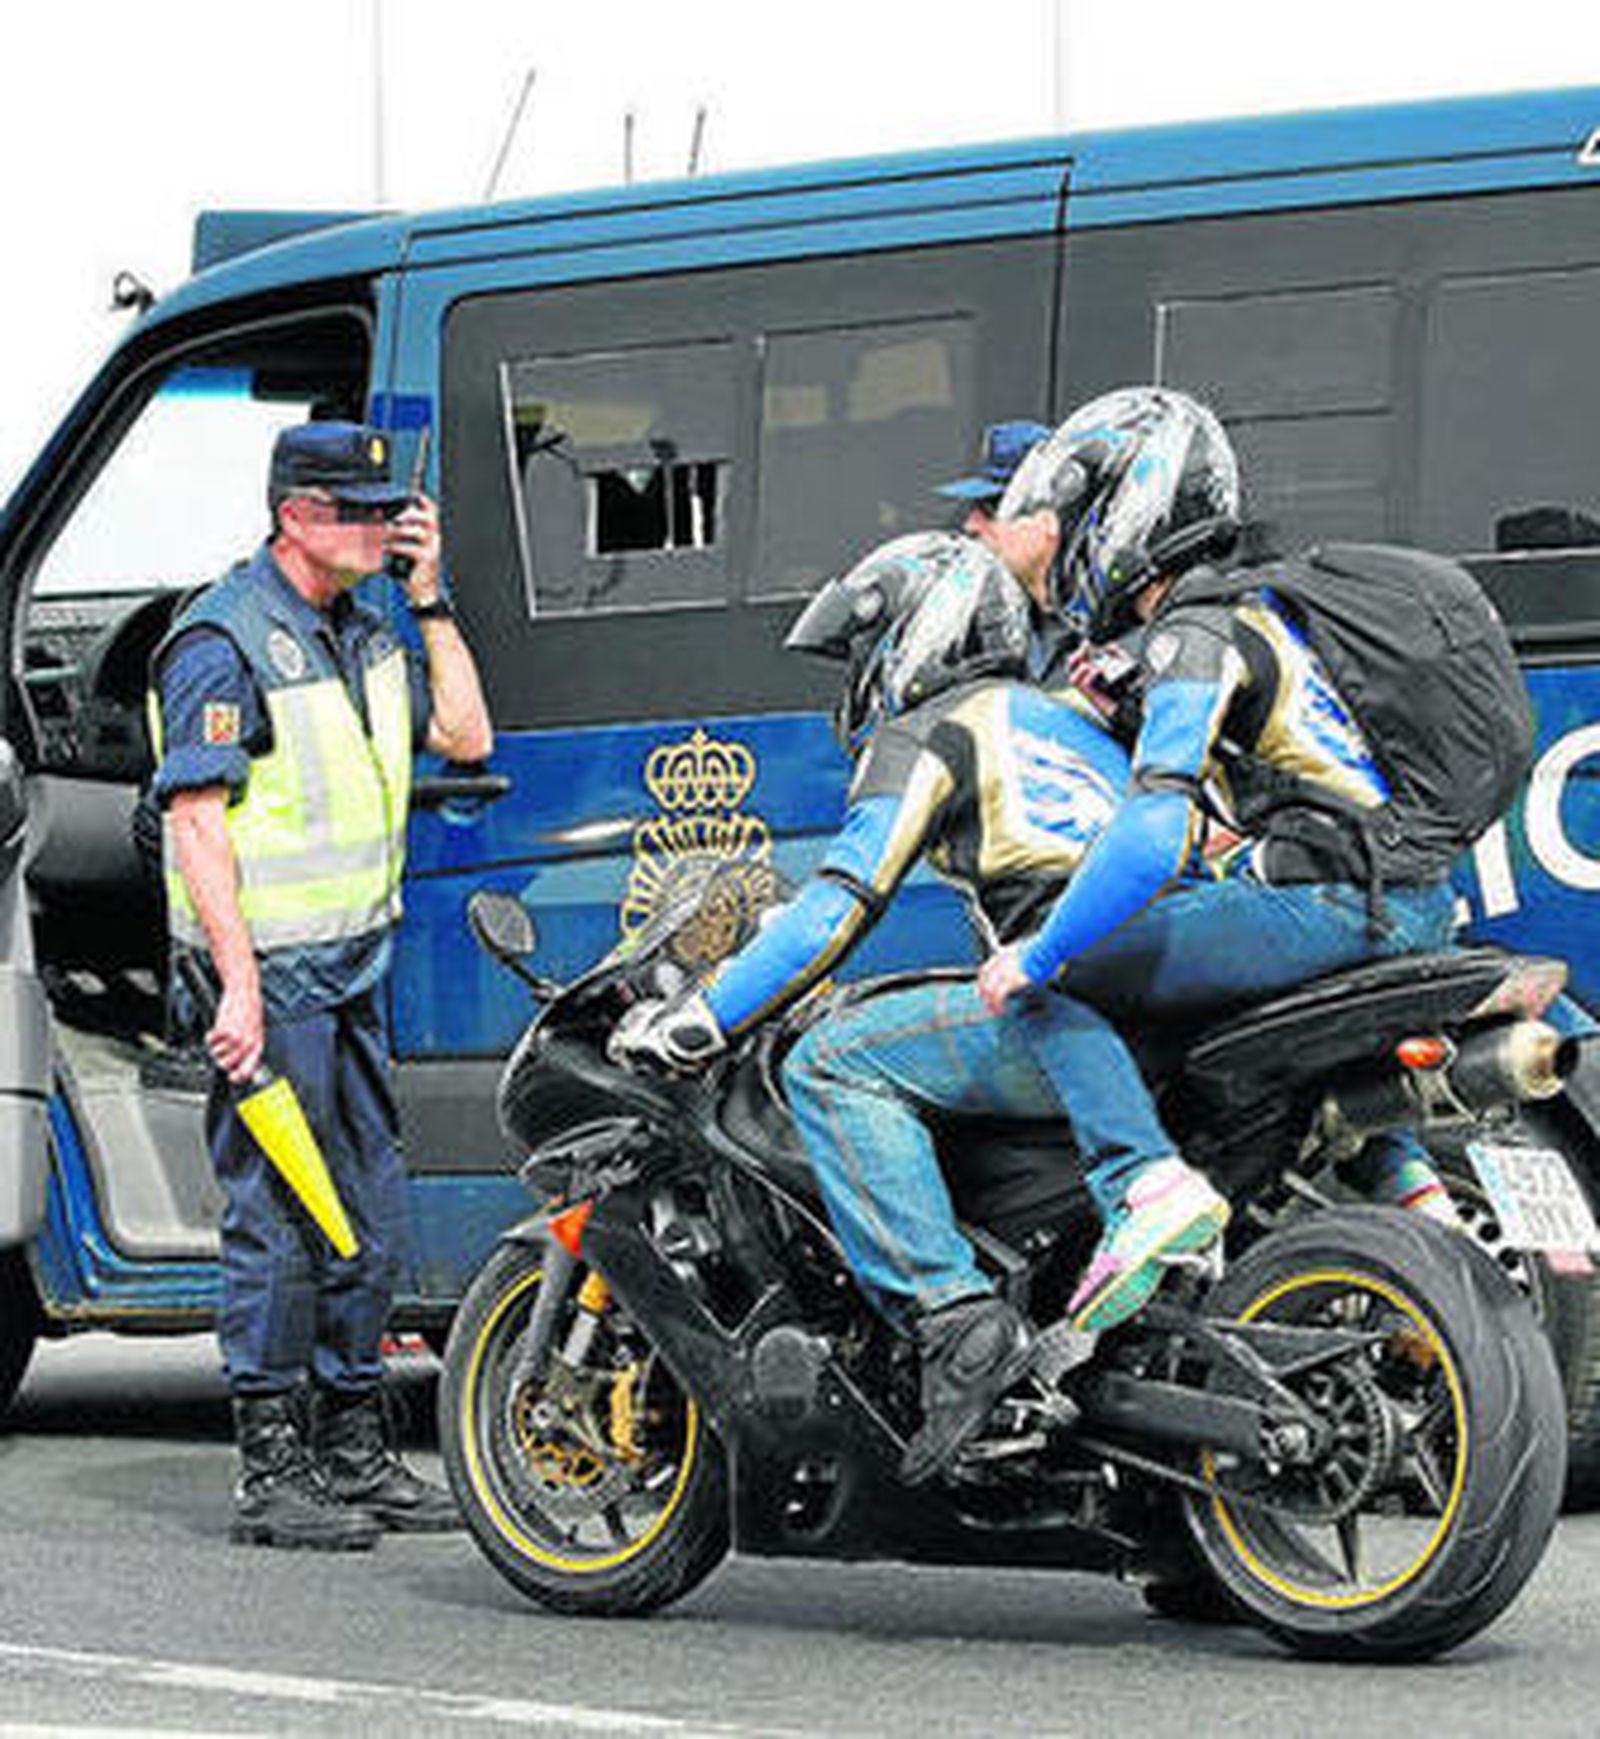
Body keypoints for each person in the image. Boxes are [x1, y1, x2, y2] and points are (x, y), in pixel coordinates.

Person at [614, 530, 1226, 1483]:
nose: (856, 678)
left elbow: (841, 903)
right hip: (1182, 1003)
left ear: (912, 637)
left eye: (863, 651)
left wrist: (707, 1016)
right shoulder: (1074, 723)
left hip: (1076, 1015)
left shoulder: (937, 730)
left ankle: (956, 1322)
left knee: (832, 1059)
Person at [960, 387, 1465, 1307]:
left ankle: (1145, 1189)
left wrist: (1038, 949)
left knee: (1059, 980)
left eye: (1071, 513)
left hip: (1333, 901)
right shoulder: (1258, 607)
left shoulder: (1191, 633)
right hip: (1410, 897)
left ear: (1125, 511)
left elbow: (1152, 835)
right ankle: (1424, 1204)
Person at [148, 422, 494, 1550]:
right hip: (272, 981)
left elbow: (466, 733)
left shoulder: (371, 628)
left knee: (370, 1214)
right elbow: (197, 824)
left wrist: (431, 598)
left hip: (353, 971)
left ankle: (354, 1449)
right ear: (296, 515)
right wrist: (236, 990)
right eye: (360, 511)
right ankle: (273, 1467)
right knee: (281, 1216)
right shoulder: (222, 639)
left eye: (388, 510)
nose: (380, 526)